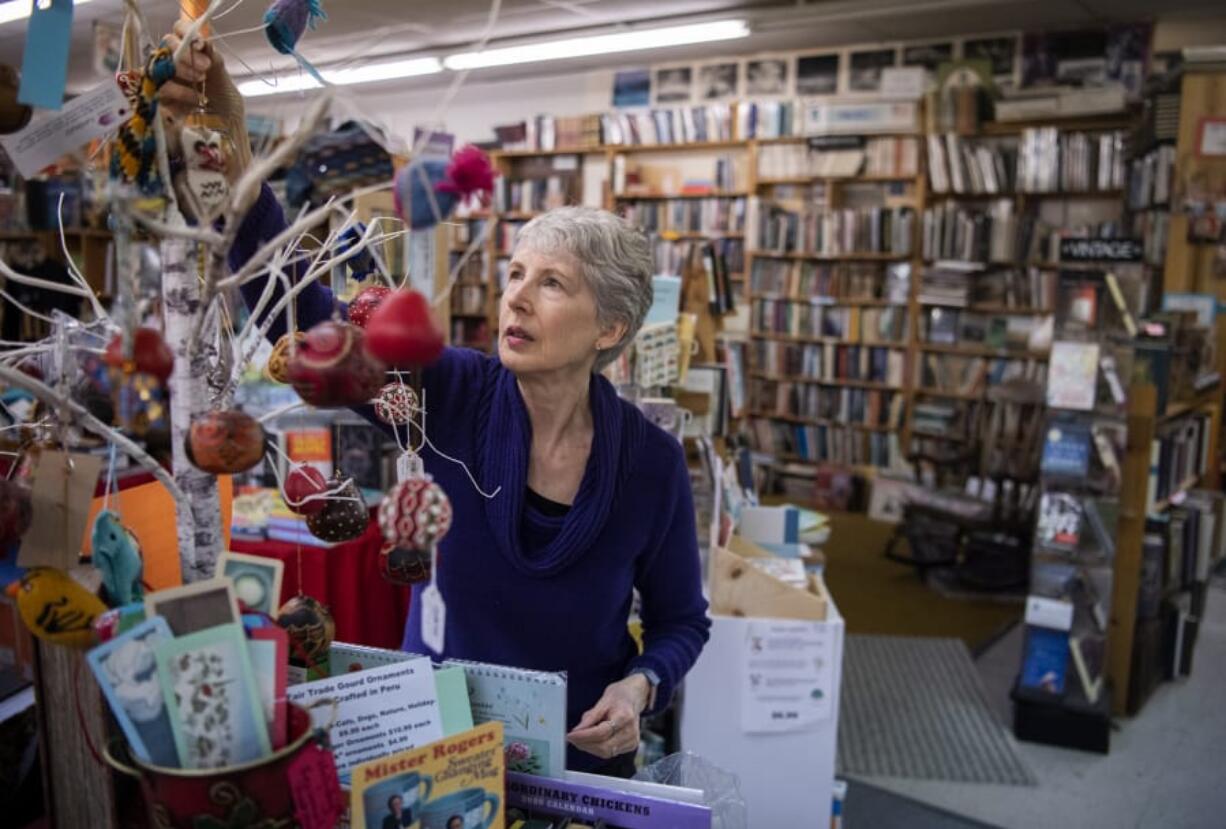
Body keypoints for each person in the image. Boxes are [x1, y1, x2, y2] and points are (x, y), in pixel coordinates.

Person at [161, 23, 711, 777]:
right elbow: (299, 314)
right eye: (515, 273)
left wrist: (641, 686)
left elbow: (682, 618)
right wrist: (228, 152)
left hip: (575, 762)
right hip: (433, 744)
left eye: (551, 283)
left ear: (610, 326)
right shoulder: (449, 391)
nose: (517, 296)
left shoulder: (650, 462)